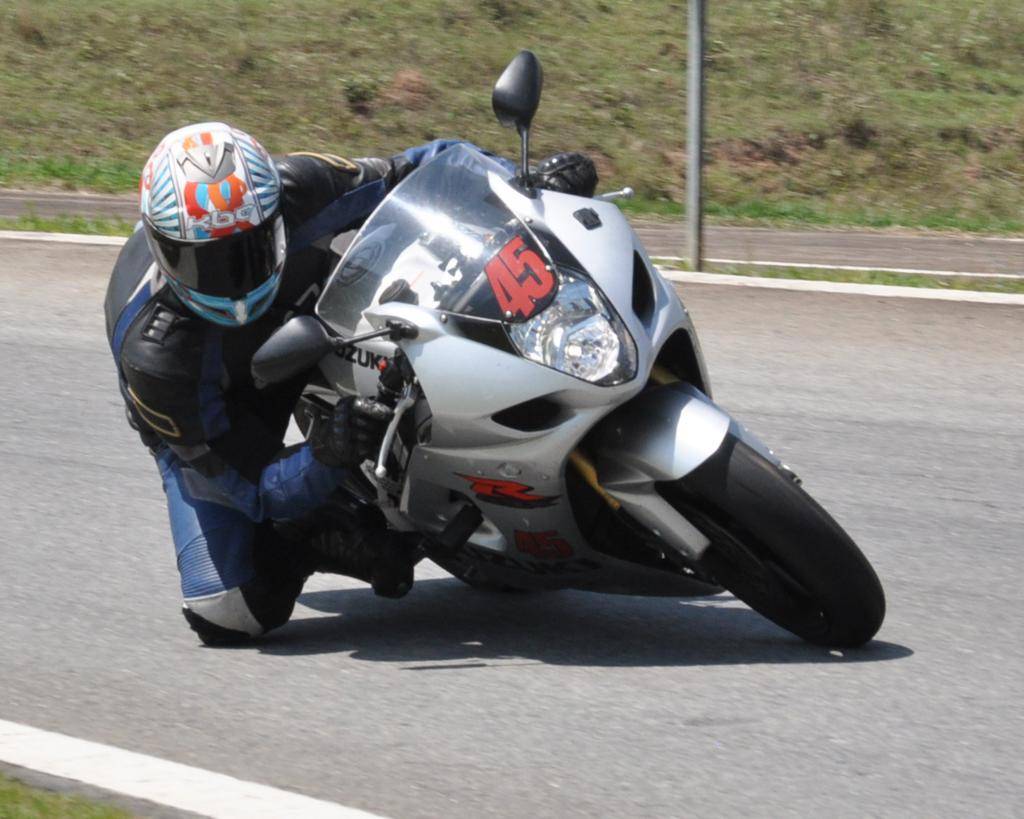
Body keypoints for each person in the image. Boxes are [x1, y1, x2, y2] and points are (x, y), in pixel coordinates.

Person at [104, 121, 598, 646]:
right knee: (228, 608)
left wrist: (524, 186)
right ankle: (315, 531)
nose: (237, 280)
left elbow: (423, 167)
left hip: (318, 315)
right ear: (163, 250)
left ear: (273, 212)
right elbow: (248, 484)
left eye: (251, 248)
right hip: (218, 411)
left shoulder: (295, 187)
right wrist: (324, 456)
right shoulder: (156, 358)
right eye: (207, 263)